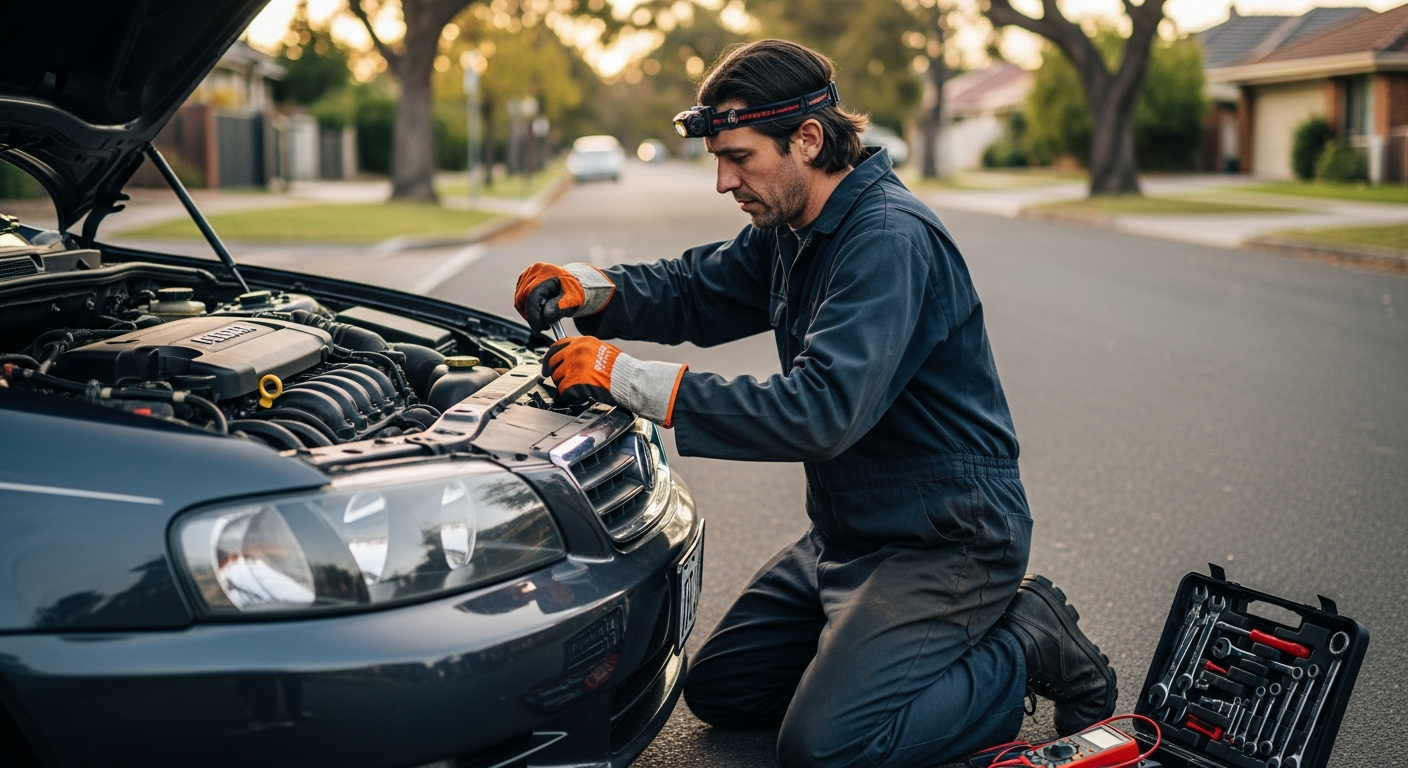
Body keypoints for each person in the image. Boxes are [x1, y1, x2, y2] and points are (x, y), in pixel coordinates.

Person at [512, 39, 1117, 768]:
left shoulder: (887, 239)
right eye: (719, 160)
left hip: (945, 538)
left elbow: (819, 410)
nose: (723, 181)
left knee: (827, 749)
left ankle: (1024, 639)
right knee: (722, 691)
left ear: (806, 138)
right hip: (846, 533)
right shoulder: (796, 228)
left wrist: (624, 376)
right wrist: (594, 287)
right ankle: (872, 657)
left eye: (740, 158)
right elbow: (696, 288)